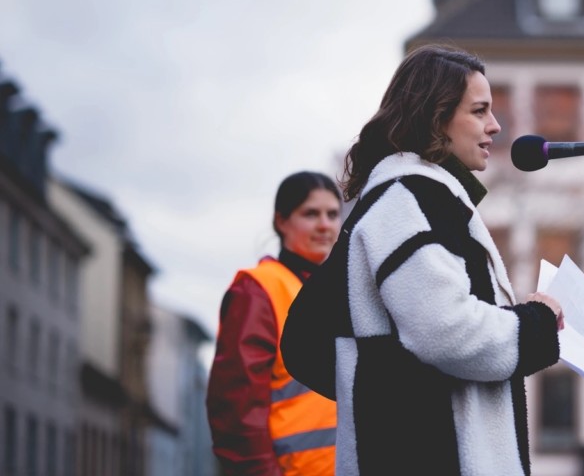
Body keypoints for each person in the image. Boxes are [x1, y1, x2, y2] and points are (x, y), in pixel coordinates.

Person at [327, 43, 564, 475]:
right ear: (436, 118)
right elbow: (446, 332)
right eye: (479, 111)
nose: (495, 126)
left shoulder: (419, 197)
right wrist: (536, 322)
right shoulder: (406, 199)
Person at [207, 171, 342, 475]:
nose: (325, 224)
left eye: (332, 214)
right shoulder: (258, 290)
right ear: (281, 222)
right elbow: (236, 411)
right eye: (311, 214)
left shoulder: (340, 291)